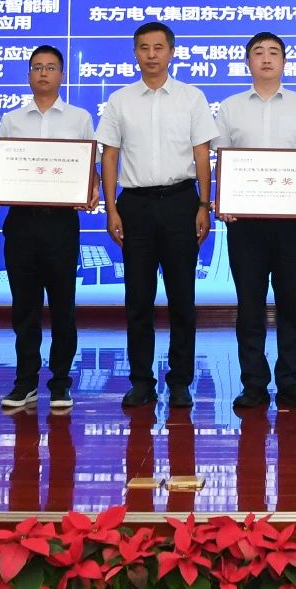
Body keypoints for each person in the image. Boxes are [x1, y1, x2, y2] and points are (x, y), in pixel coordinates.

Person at [96, 21, 218, 409]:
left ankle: (180, 382)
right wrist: (111, 208)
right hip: (135, 205)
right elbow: (109, 155)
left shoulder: (191, 97)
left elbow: (202, 154)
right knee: (138, 299)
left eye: (158, 48)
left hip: (182, 202)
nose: (151, 55)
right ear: (135, 53)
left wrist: (204, 204)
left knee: (183, 298)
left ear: (171, 52)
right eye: (144, 48)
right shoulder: (120, 100)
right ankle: (141, 381)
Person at [0, 45, 97, 411]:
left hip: (61, 223)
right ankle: (25, 381)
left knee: (63, 306)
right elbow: (2, 168)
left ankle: (61, 382)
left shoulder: (79, 118)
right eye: (37, 67)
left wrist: (91, 190)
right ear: (29, 75)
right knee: (25, 307)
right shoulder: (13, 120)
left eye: (50, 67)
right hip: (22, 222)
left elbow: (89, 167)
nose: (43, 73)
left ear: (62, 75)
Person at [214, 31, 296, 411]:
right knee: (249, 305)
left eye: (274, 52)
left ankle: (290, 384)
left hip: (293, 222)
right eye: (258, 52)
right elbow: (222, 160)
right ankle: (253, 385)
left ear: (284, 61)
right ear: (247, 61)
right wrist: (223, 200)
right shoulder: (230, 107)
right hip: (245, 223)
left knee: (291, 303)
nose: (266, 58)